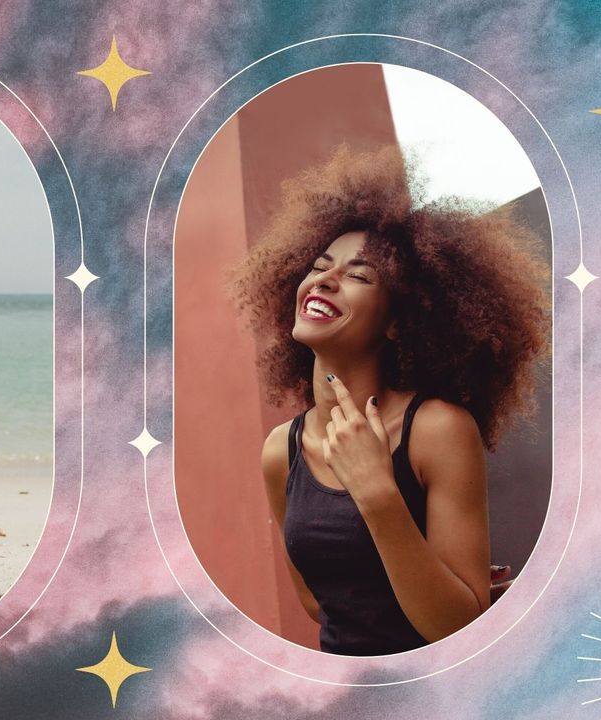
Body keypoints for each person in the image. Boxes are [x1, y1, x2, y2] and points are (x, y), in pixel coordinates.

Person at [229, 145, 549, 655]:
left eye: (359, 276)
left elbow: (454, 629)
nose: (325, 280)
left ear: (399, 321)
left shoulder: (438, 429)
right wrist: (421, 571)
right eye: (319, 265)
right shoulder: (279, 451)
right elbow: (322, 603)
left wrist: (378, 494)